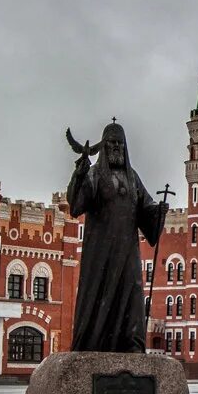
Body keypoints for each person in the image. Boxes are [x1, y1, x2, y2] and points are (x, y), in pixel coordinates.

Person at [66, 121, 167, 352]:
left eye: (120, 143)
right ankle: (94, 343)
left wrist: (157, 212)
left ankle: (131, 344)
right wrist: (78, 176)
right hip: (101, 252)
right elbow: (76, 205)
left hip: (128, 250)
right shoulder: (95, 175)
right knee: (99, 295)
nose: (116, 147)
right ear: (103, 146)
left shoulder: (132, 178)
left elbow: (145, 207)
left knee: (131, 293)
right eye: (111, 143)